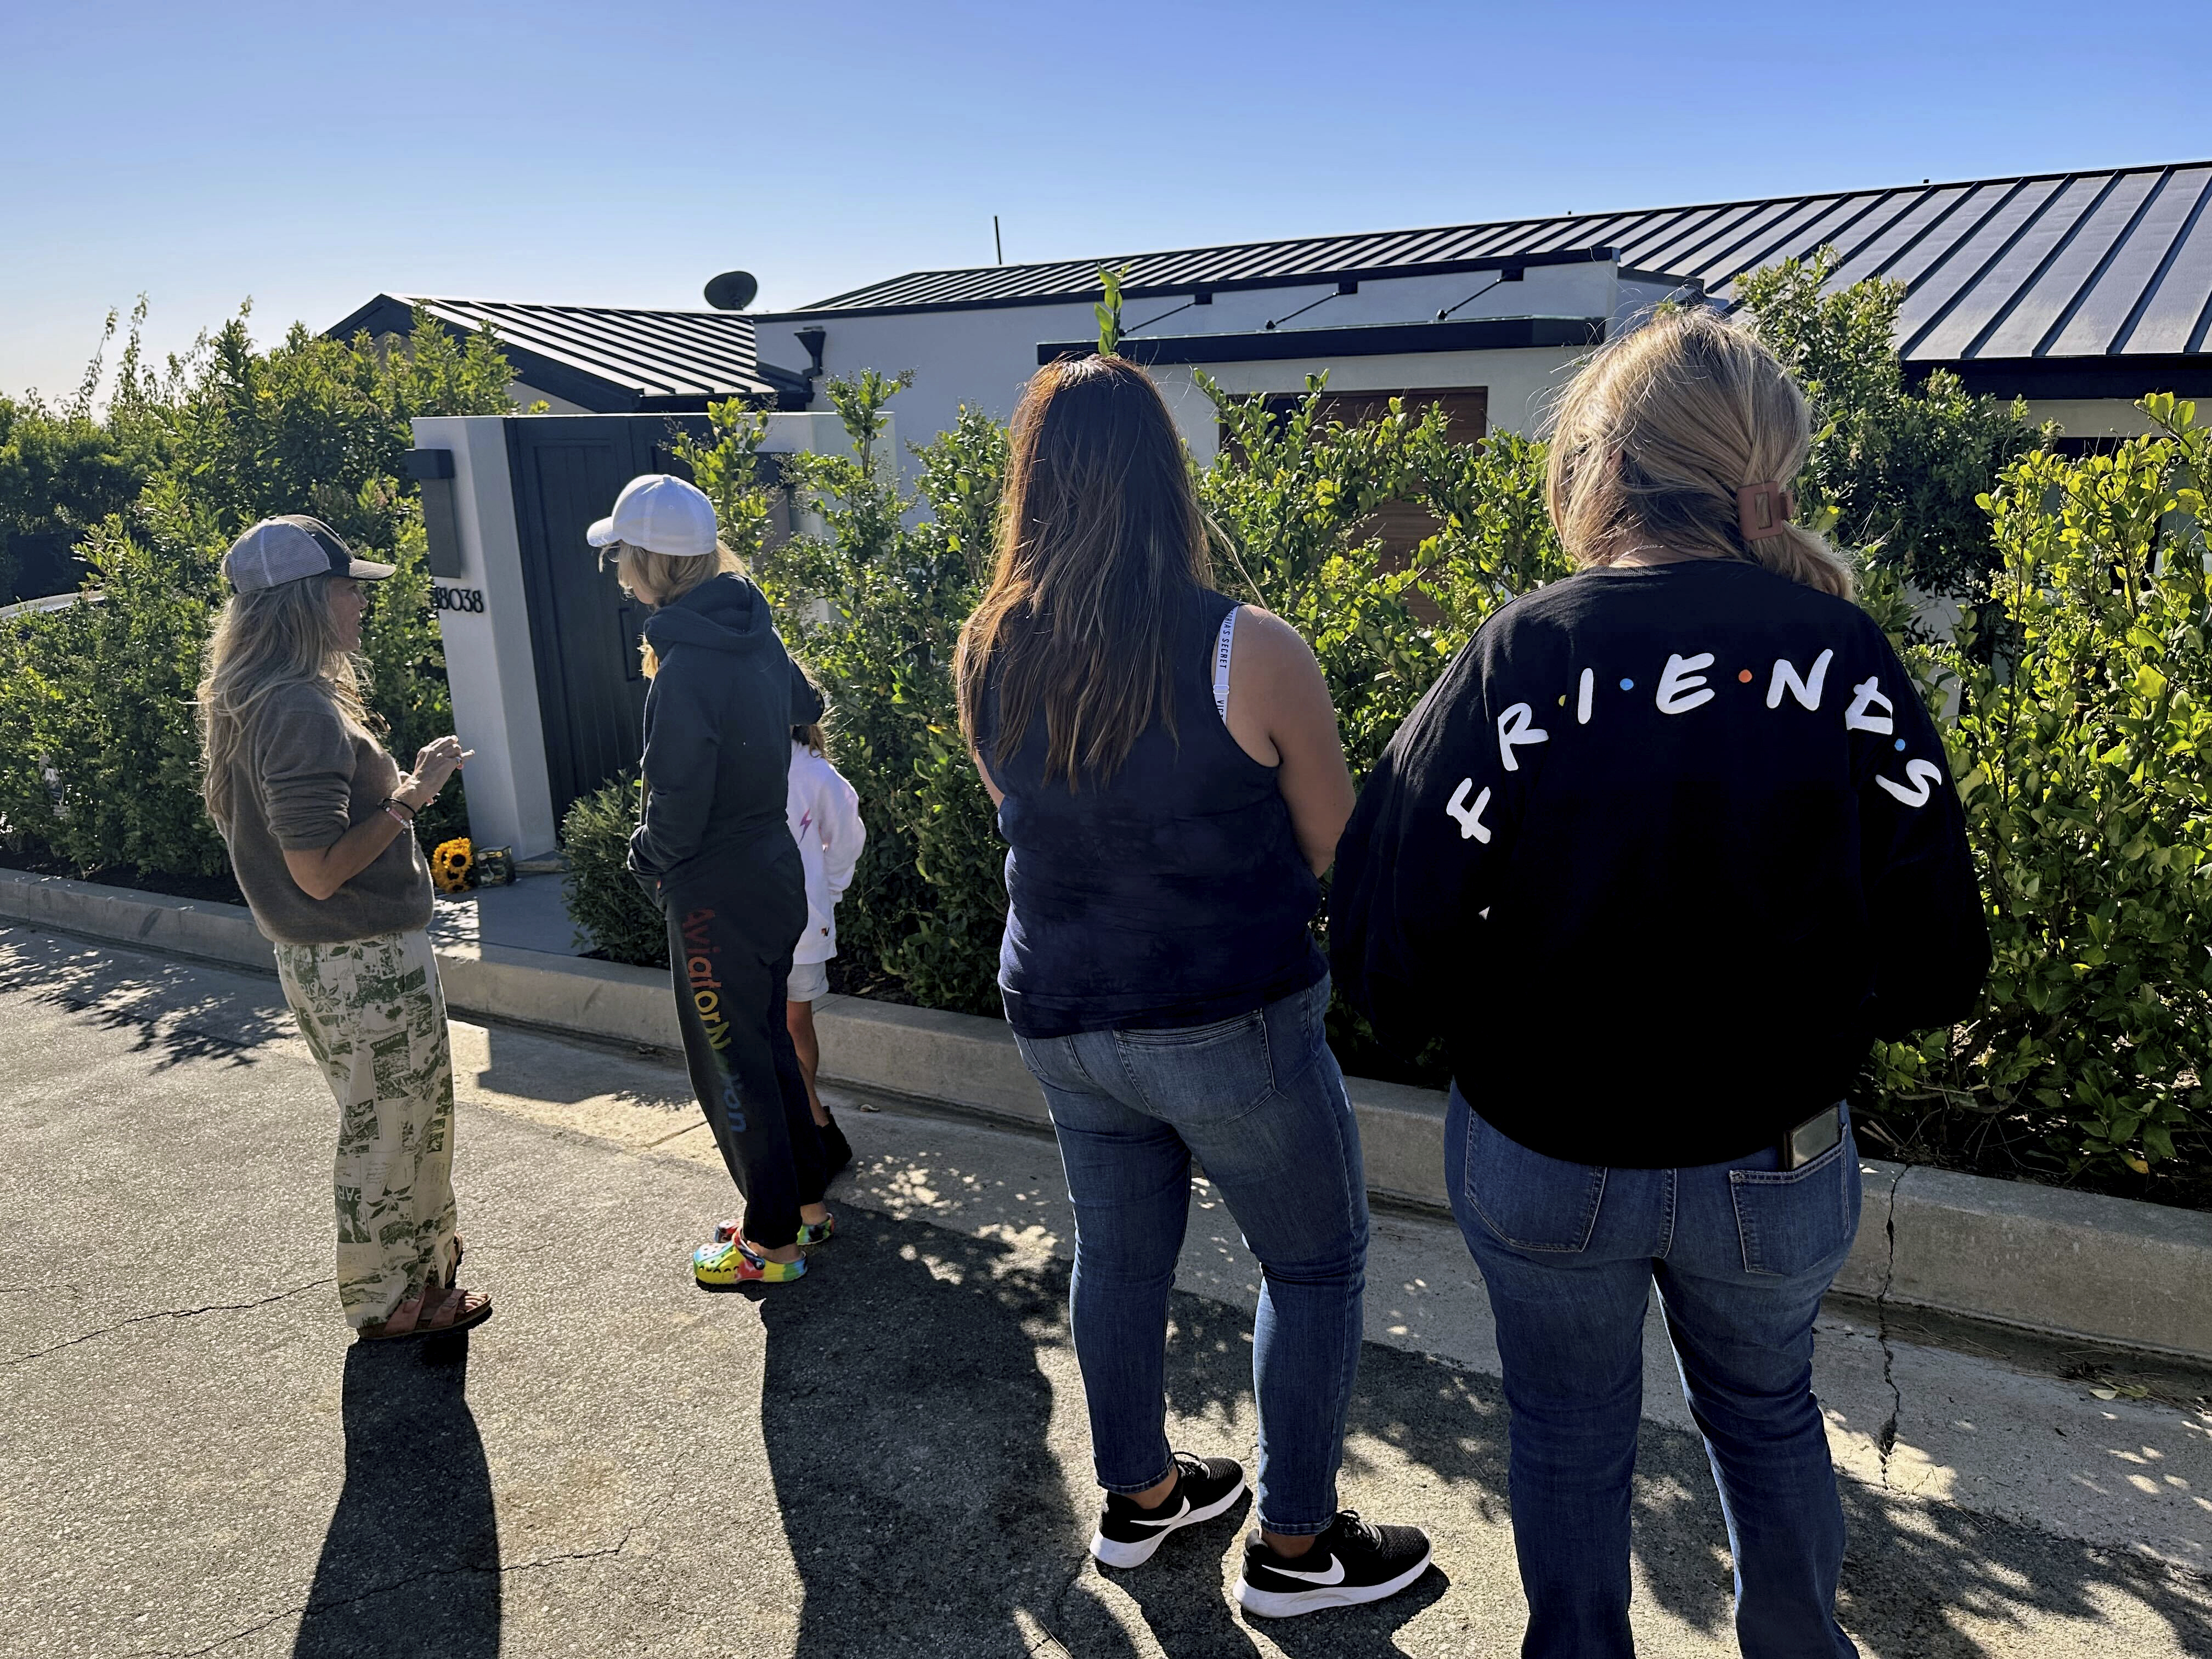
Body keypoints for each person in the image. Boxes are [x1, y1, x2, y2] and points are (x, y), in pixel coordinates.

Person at [1330, 308, 1989, 1658]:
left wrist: (1478, 1012)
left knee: (1568, 1431)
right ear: (1763, 471)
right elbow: (1939, 955)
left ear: (1601, 462)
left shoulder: (1525, 654)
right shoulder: (1846, 656)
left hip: (1544, 1148)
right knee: (1768, 1415)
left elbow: (1388, 924)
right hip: (1776, 1154)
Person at [955, 355, 1431, 1618]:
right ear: (1165, 480)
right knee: (1316, 1263)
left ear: (1032, 487)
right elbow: (1338, 845)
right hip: (1227, 1018)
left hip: (1059, 1011)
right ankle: (1296, 1547)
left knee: (1116, 1250)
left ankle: (1145, 1499)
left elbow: (1032, 813)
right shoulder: (1249, 648)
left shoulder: (988, 648)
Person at [197, 514, 491, 1342]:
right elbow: (318, 870)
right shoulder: (293, 707)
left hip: (338, 962)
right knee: (391, 1133)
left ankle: (421, 1273)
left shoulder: (258, 697)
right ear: (304, 603)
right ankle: (390, 1299)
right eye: (346, 588)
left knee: (405, 1122)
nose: (362, 601)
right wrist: (412, 797)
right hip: (360, 963)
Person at [588, 473, 831, 1287]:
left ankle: (769, 1244)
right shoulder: (750, 623)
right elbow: (808, 699)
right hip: (772, 868)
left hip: (714, 891)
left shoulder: (683, 663)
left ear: (650, 562)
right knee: (764, 1043)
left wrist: (644, 859)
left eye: (620, 554)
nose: (617, 569)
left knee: (730, 1064)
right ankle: (803, 1206)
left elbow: (677, 808)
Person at [783, 668, 865, 1180]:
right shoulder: (743, 761)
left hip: (801, 925)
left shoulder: (815, 774)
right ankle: (806, 1127)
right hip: (753, 924)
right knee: (774, 1026)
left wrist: (827, 895)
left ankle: (810, 1126)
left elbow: (847, 839)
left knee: (794, 1023)